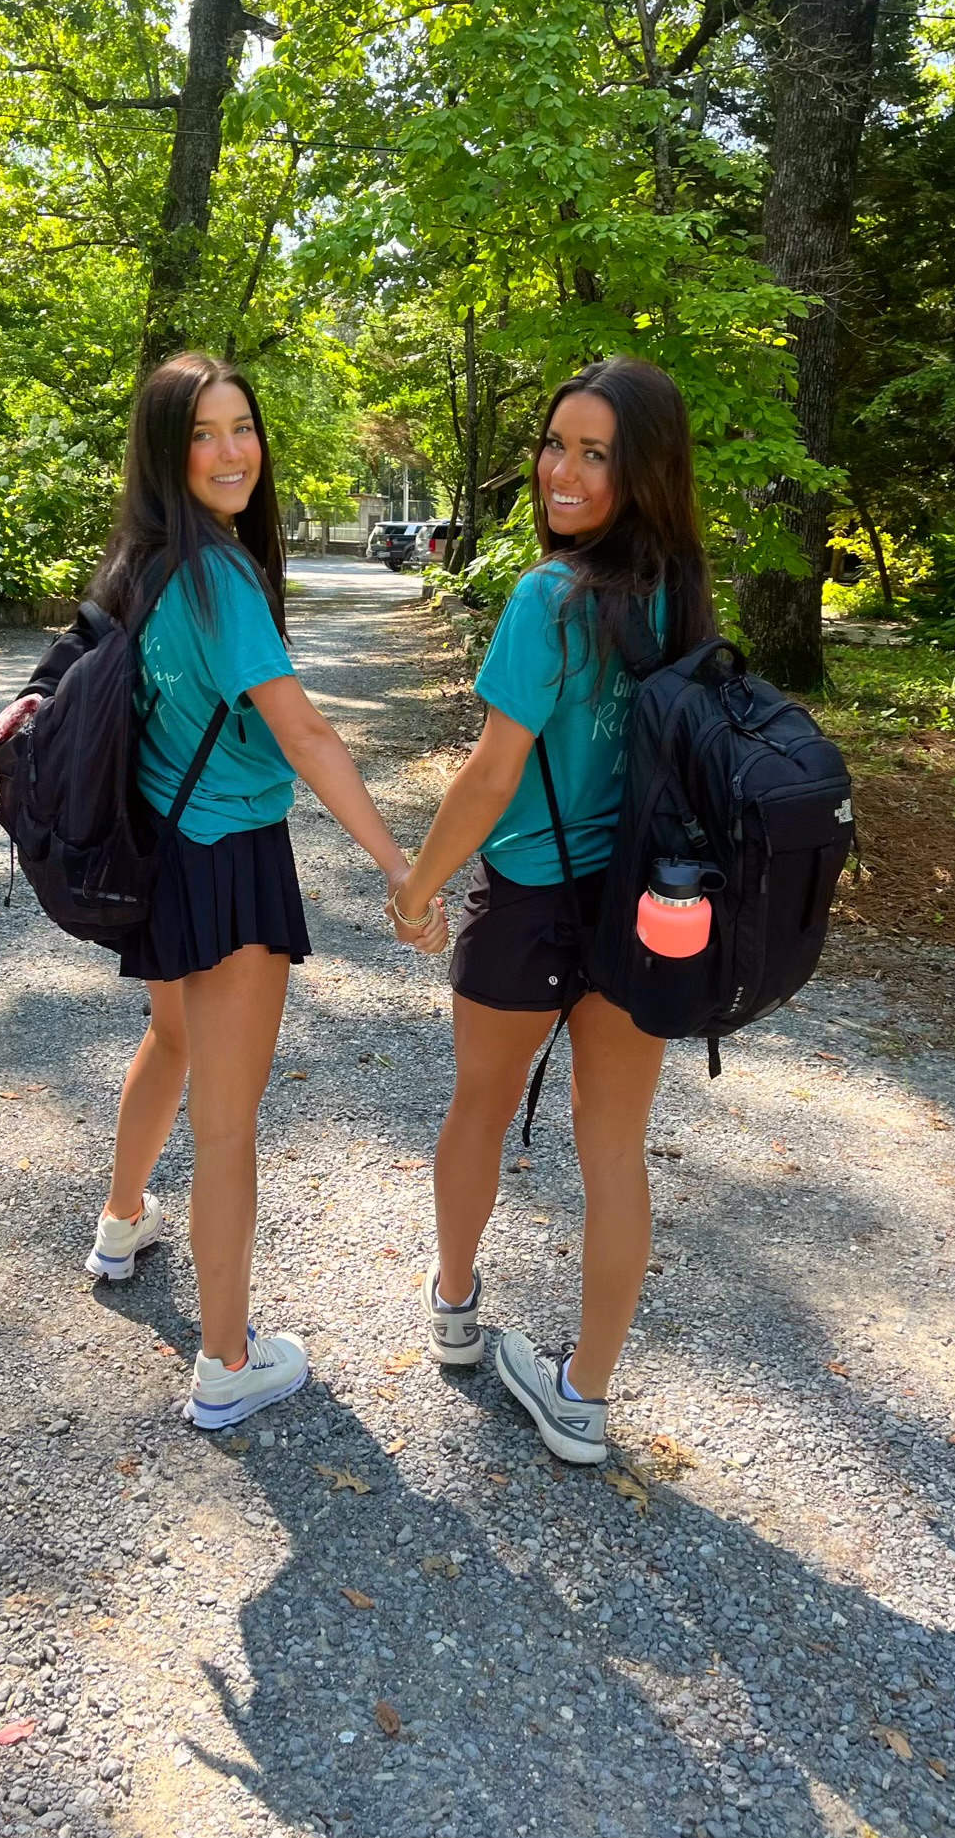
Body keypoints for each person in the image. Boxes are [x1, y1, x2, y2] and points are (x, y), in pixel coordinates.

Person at [79, 352, 444, 1430]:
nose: (231, 450)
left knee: (173, 1040)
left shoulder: (141, 561)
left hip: (159, 849)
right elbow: (306, 733)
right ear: (166, 450)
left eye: (241, 427)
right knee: (228, 1125)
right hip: (227, 856)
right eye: (203, 433)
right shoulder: (219, 576)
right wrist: (400, 867)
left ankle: (120, 1223)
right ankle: (227, 1363)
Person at [387, 357, 714, 1465]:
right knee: (614, 1151)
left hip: (530, 898)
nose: (562, 472)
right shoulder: (680, 595)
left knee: (477, 1111)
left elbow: (492, 774)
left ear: (642, 472)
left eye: (595, 454)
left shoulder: (548, 597)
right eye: (555, 444)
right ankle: (584, 1395)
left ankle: (455, 1306)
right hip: (646, 910)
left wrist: (417, 886)